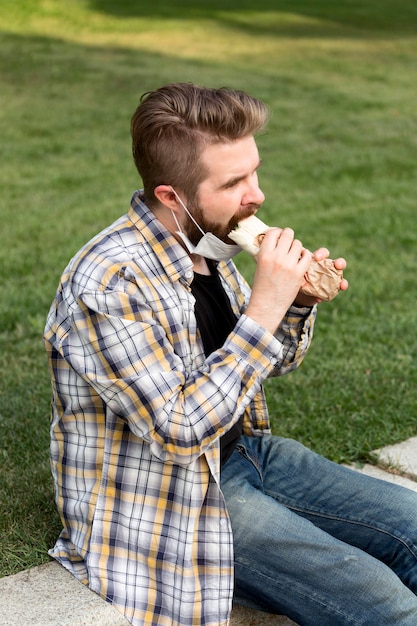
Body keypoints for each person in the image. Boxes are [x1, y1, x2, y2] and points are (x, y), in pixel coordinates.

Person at [44, 83, 417, 626]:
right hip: (167, 501)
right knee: (381, 599)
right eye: (235, 182)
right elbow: (177, 429)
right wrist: (264, 309)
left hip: (243, 456)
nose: (257, 194)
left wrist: (294, 304)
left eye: (255, 171)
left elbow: (270, 360)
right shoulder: (109, 282)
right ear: (172, 196)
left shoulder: (208, 243)